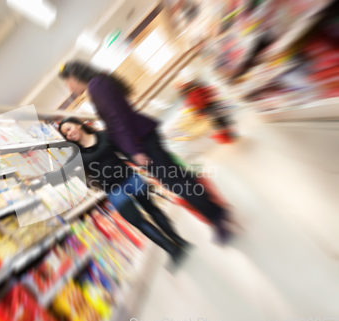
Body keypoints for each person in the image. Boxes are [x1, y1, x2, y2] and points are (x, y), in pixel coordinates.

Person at [59, 61, 231, 243]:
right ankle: (217, 211)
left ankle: (216, 217)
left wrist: (134, 150)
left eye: (66, 83)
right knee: (180, 178)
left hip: (142, 142)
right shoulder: (99, 83)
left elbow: (118, 120)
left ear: (73, 77)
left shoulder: (96, 86)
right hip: (143, 137)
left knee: (178, 183)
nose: (68, 88)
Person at [58, 117, 189, 263]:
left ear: (78, 124)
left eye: (69, 129)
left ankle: (178, 240)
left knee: (152, 209)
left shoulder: (103, 135)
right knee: (136, 220)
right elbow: (67, 173)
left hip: (130, 178)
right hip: (113, 190)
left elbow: (124, 150)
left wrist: (143, 163)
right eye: (65, 134)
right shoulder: (76, 155)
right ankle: (172, 249)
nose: (68, 134)